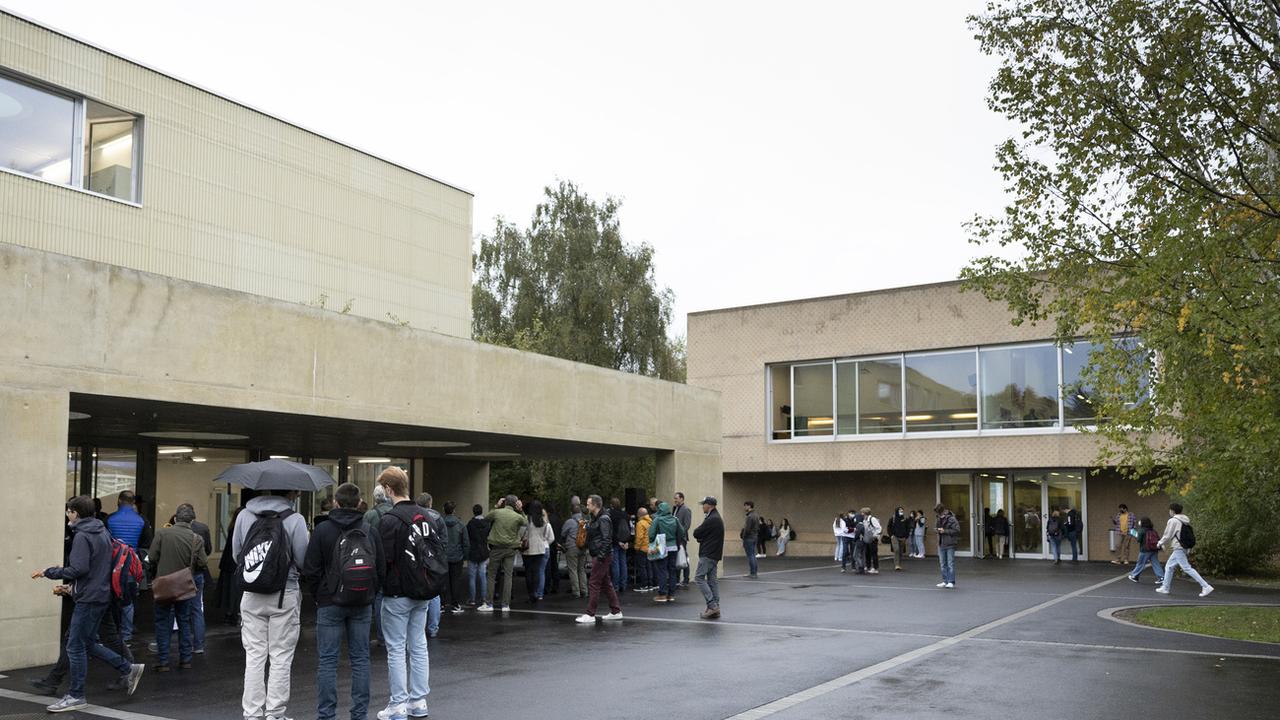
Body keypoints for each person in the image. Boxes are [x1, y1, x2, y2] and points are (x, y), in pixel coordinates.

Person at [32, 496, 145, 712]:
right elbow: (95, 568)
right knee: (85, 643)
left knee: (75, 646)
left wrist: (50, 572)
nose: (67, 514)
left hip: (89, 598)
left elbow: (78, 569)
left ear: (75, 512)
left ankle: (76, 695)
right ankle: (127, 668)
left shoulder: (83, 536)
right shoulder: (101, 531)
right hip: (100, 595)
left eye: (69, 511)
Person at [302, 482, 386, 720]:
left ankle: (326, 715)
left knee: (327, 661)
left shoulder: (323, 530)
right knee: (360, 659)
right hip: (362, 601)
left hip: (330, 603)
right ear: (359, 504)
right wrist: (369, 593)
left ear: (335, 503)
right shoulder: (370, 529)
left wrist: (321, 595)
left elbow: (311, 568)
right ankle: (359, 715)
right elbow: (380, 570)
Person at [233, 487, 310, 720]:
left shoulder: (244, 515)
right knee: (280, 655)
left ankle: (252, 713)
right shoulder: (295, 519)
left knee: (255, 654)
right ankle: (275, 714)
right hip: (283, 593)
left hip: (251, 592)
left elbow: (237, 554)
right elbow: (303, 558)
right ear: (289, 494)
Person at [377, 469, 441, 720]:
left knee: (395, 649)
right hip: (423, 590)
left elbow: (384, 559)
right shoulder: (426, 516)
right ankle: (419, 700)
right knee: (418, 645)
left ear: (390, 490)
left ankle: (398, 704)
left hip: (396, 593)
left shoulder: (390, 520)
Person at [149, 503, 208, 672]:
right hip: (184, 585)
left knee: (162, 621)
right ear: (192, 521)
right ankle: (185, 660)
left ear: (175, 518)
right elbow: (203, 563)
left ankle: (163, 661)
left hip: (163, 584)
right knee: (184, 621)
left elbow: (152, 557)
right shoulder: (196, 538)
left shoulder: (161, 533)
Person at [106, 490, 152, 645]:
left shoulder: (109, 519)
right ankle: (126, 635)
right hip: (132, 564)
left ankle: (112, 632)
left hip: (112, 564)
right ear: (133, 503)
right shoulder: (142, 520)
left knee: (112, 598)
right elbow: (147, 545)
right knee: (129, 600)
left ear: (119, 501)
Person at [575, 495, 622, 623]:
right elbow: (599, 536)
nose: (587, 506)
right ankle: (616, 611)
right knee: (606, 584)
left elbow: (607, 538)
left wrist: (600, 556)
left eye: (589, 504)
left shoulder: (603, 519)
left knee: (594, 583)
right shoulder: (596, 518)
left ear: (595, 505)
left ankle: (590, 614)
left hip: (602, 555)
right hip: (600, 554)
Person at [477, 495, 527, 613]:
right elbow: (525, 523)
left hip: (496, 548)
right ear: (515, 504)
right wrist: (521, 510)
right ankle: (505, 605)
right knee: (508, 576)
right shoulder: (517, 516)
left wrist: (496, 506)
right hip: (510, 548)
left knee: (491, 575)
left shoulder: (497, 513)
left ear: (505, 503)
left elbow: (486, 519)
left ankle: (489, 603)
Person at [1156, 503, 1213, 598]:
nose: (1169, 512)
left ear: (1172, 511)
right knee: (1169, 567)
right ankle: (1165, 587)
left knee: (1186, 568)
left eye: (1170, 510)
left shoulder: (1173, 521)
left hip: (1178, 547)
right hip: (1184, 546)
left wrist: (1160, 543)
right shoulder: (1184, 520)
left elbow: (1168, 535)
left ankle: (1205, 586)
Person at [364, 485, 395, 644]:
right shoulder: (396, 513)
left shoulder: (369, 515)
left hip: (375, 559)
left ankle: (381, 635)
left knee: (378, 598)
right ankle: (396, 635)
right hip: (394, 560)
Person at [414, 492, 443, 638]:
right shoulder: (438, 518)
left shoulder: (413, 518)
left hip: (419, 557)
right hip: (434, 559)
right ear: (430, 503)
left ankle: (418, 628)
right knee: (434, 595)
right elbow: (443, 540)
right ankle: (433, 627)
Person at [694, 496, 724, 619]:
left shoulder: (712, 519)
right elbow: (703, 534)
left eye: (704, 505)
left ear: (710, 505)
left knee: (699, 578)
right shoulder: (715, 518)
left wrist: (700, 537)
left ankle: (712, 606)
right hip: (714, 554)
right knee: (712, 580)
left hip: (708, 554)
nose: (703, 507)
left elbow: (697, 532)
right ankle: (715, 606)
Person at [649, 501, 686, 602]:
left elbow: (651, 534)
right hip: (673, 547)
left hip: (662, 547)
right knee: (672, 570)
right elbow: (682, 532)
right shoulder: (675, 519)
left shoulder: (657, 519)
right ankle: (671, 594)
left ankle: (662, 594)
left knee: (662, 570)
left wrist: (653, 542)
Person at [521, 500, 554, 603]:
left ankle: (531, 594)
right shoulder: (543, 521)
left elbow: (522, 534)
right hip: (540, 549)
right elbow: (550, 537)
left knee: (528, 573)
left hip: (529, 549)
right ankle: (536, 593)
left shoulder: (527, 520)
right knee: (536, 572)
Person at [216, 506, 243, 626]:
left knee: (228, 590)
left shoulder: (231, 527)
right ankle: (235, 615)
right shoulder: (241, 528)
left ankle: (228, 614)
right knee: (236, 591)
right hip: (235, 563)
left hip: (227, 563)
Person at [440, 501, 468, 614]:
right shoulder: (460, 524)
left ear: (444, 510)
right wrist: (465, 556)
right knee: (455, 581)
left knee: (443, 581)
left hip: (443, 556)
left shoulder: (440, 523)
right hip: (457, 556)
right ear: (454, 511)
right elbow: (466, 542)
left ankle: (441, 604)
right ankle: (455, 604)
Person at [560, 503, 588, 598]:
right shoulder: (585, 521)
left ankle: (576, 592)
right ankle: (584, 590)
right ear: (580, 512)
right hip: (583, 547)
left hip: (572, 548)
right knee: (582, 570)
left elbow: (563, 534)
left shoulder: (569, 521)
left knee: (573, 570)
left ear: (571, 512)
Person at [465, 504, 490, 606]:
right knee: (483, 576)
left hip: (473, 552)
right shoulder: (486, 523)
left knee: (472, 577)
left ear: (473, 512)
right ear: (481, 511)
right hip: (483, 551)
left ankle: (472, 599)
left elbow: (467, 538)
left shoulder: (470, 524)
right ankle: (484, 598)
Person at [1127, 517, 1164, 585]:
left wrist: (1135, 534)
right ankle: (1161, 577)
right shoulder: (1153, 530)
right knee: (1155, 563)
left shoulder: (1142, 530)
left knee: (1140, 563)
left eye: (1140, 521)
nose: (1139, 522)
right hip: (1154, 549)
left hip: (1145, 549)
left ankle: (1134, 576)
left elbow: (1139, 540)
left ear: (1142, 523)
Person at [607, 498, 631, 593]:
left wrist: (617, 541)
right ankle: (623, 584)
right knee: (623, 563)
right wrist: (626, 541)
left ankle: (615, 585)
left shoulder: (610, 515)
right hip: (624, 541)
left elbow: (610, 531)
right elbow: (629, 528)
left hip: (615, 542)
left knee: (615, 564)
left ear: (611, 505)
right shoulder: (625, 514)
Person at [935, 503, 960, 588]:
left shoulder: (951, 518)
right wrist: (937, 530)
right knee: (943, 563)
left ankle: (951, 581)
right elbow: (937, 528)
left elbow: (957, 530)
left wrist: (945, 531)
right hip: (941, 543)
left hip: (950, 543)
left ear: (942, 511)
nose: (938, 515)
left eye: (939, 513)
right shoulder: (938, 519)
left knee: (950, 563)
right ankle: (945, 581)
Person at [673, 492, 693, 586]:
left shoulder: (686, 509)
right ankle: (677, 579)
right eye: (675, 498)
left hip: (681, 538)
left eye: (676, 498)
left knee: (684, 558)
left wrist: (680, 534)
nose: (675, 500)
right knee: (677, 558)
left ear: (682, 498)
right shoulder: (675, 508)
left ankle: (686, 579)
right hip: (674, 538)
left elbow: (687, 525)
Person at [632, 507, 653, 592]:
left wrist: (636, 547)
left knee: (642, 567)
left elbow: (639, 537)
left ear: (639, 514)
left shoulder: (640, 523)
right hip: (649, 547)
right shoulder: (650, 522)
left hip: (642, 548)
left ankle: (644, 585)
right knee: (649, 566)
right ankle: (650, 584)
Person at [740, 501, 760, 578]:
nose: (744, 508)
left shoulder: (750, 516)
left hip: (749, 538)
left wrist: (743, 537)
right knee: (753, 555)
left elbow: (747, 529)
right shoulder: (756, 515)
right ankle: (754, 572)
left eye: (745, 506)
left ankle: (753, 573)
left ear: (749, 506)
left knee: (750, 556)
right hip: (754, 537)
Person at [861, 507, 881, 574]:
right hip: (867, 538)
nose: (862, 514)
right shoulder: (865, 520)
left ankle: (875, 568)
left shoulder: (872, 519)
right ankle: (868, 566)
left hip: (873, 539)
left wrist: (874, 536)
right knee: (867, 553)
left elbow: (878, 528)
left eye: (862, 513)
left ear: (865, 513)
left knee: (874, 553)